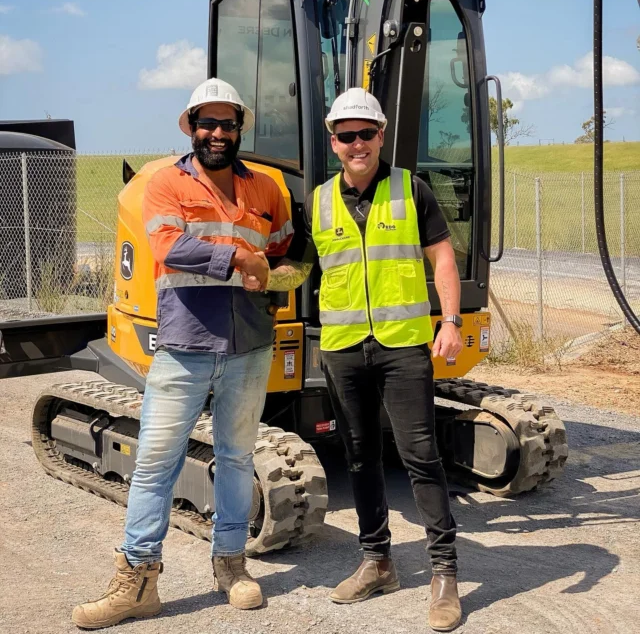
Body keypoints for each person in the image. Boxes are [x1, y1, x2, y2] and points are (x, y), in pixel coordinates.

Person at [72, 77, 293, 630]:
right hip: (185, 345)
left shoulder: (268, 189)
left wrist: (279, 273)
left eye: (227, 123)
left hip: (249, 347)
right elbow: (172, 247)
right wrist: (245, 259)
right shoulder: (165, 183)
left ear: (240, 127)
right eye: (206, 123)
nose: (217, 133)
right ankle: (138, 580)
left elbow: (291, 255)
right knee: (154, 465)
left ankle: (231, 566)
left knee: (238, 460)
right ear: (191, 128)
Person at [246, 87, 463, 632]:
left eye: (366, 133)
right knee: (361, 456)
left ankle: (444, 573)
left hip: (403, 347)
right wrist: (255, 276)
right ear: (333, 141)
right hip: (343, 352)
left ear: (381, 136)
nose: (357, 143)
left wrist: (452, 322)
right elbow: (299, 269)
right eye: (347, 135)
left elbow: (442, 256)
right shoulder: (317, 202)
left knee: (419, 455)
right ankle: (378, 561)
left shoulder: (411, 190)